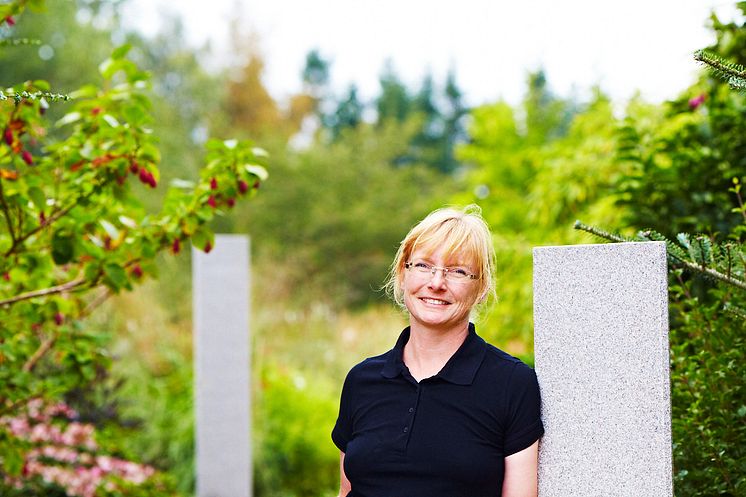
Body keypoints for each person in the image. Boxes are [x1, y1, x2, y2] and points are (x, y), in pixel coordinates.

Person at [331, 204, 544, 497]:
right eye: (423, 265)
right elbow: (346, 491)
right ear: (402, 274)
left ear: (481, 287)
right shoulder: (362, 380)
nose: (436, 283)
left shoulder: (512, 384)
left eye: (458, 271)